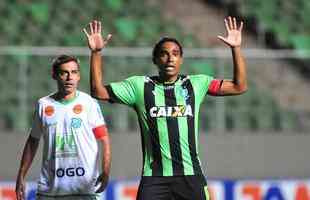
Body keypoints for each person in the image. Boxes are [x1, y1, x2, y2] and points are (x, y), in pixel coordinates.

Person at [83, 16, 247, 200]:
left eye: (175, 53)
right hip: (154, 179)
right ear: (155, 59)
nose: (170, 58)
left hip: (190, 176)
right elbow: (98, 91)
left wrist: (236, 48)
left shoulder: (196, 84)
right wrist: (96, 53)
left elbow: (239, 87)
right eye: (164, 53)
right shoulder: (139, 86)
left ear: (181, 59)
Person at [15, 55, 111, 200]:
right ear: (54, 75)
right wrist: (21, 175)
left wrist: (106, 170)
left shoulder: (89, 103)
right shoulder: (43, 104)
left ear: (79, 76)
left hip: (84, 190)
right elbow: (33, 141)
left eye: (73, 72)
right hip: (50, 191)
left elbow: (104, 139)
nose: (69, 77)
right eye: (64, 72)